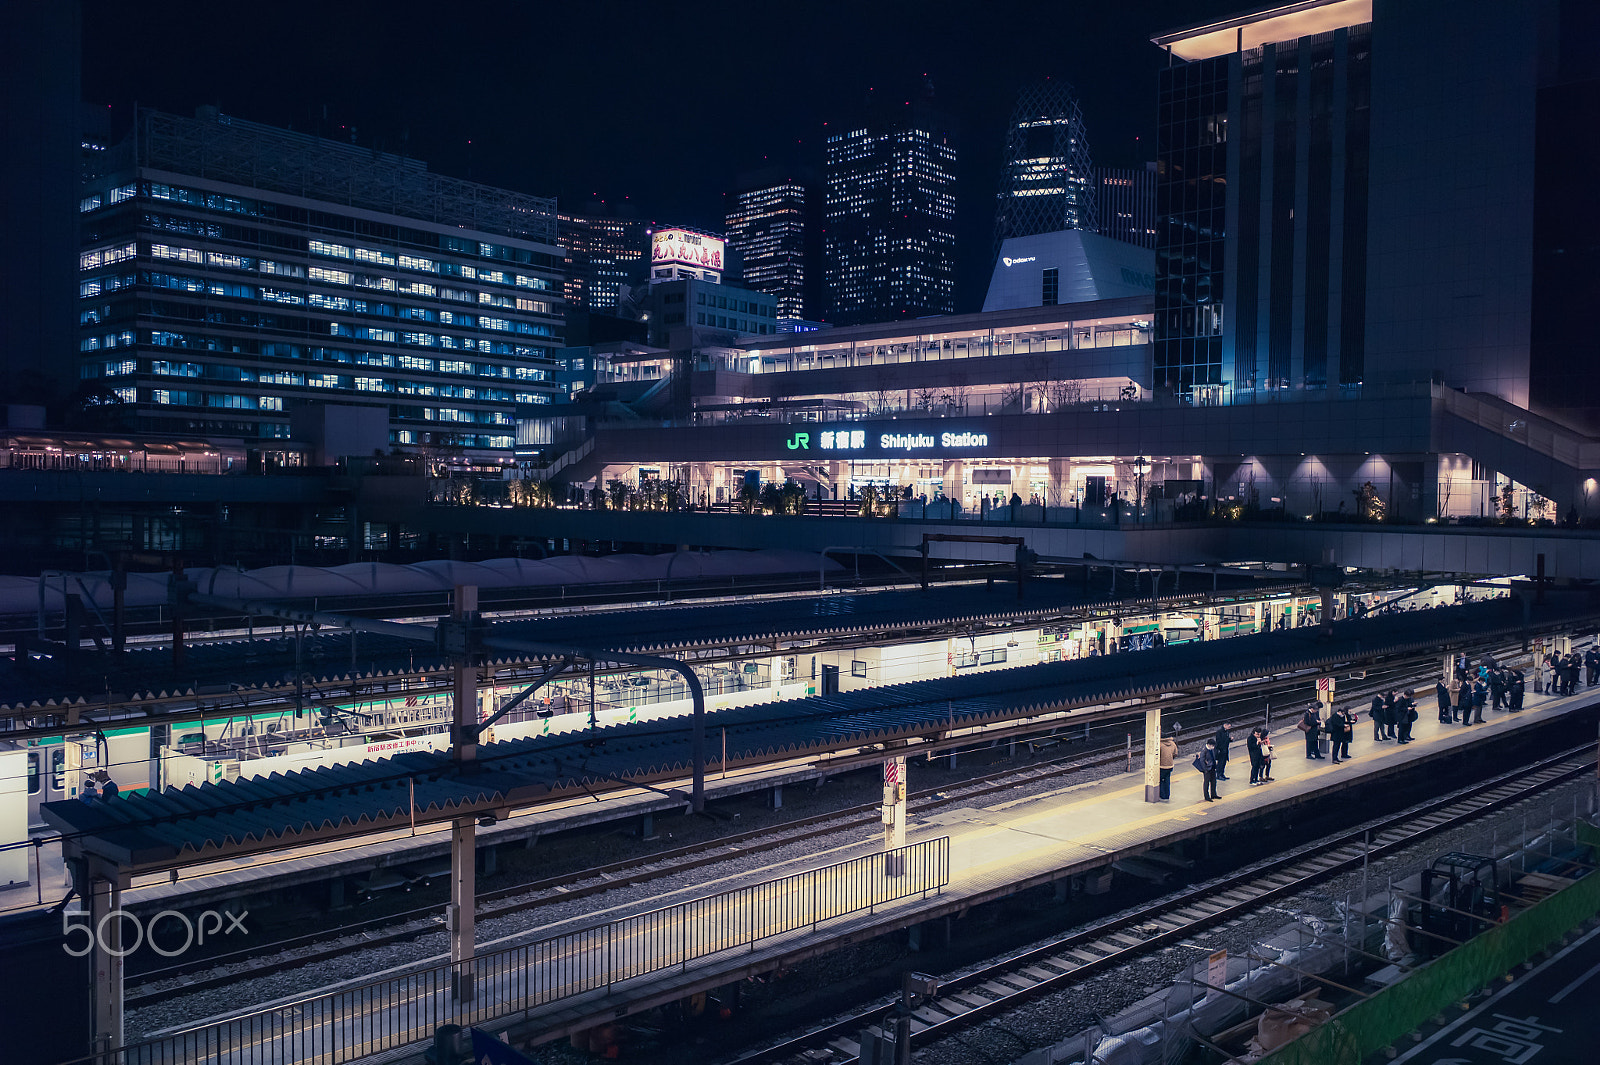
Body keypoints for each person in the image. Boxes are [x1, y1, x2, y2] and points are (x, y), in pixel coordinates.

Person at [1158, 729, 1178, 801]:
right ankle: (1167, 795)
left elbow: (1157, 755)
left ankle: (1162, 795)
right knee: (1167, 780)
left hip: (1162, 766)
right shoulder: (1172, 743)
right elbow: (1175, 753)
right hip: (1170, 765)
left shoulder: (1159, 744)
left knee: (1161, 780)